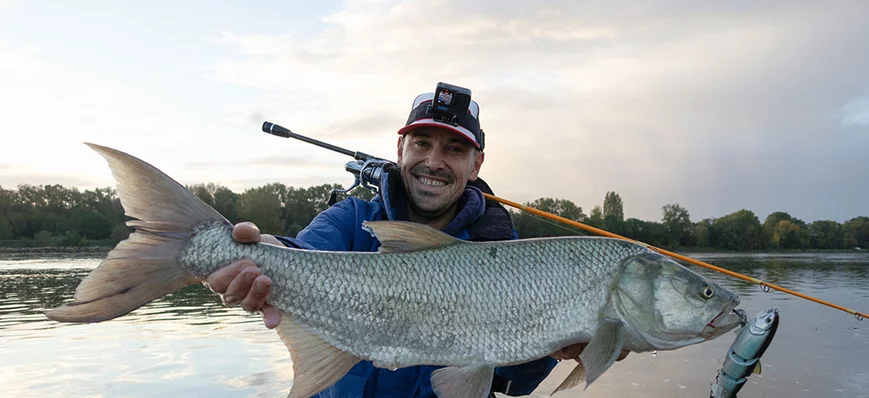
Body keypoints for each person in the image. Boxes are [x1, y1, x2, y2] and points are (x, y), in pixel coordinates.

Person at [205, 87, 628, 396]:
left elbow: (512, 382)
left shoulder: (503, 251)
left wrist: (555, 348)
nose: (434, 162)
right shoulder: (353, 220)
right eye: (422, 143)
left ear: (476, 163)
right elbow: (299, 255)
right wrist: (253, 256)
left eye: (455, 150)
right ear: (401, 149)